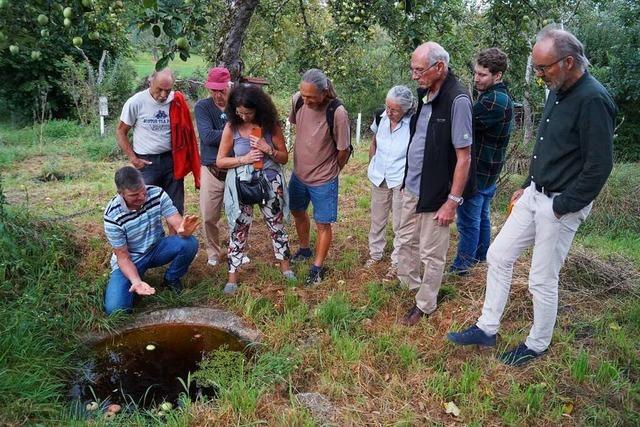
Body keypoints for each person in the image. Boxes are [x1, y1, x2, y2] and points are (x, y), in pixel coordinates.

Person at [447, 26, 616, 366]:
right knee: (498, 255)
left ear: (568, 62)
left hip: (562, 204)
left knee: (541, 279)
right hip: (534, 194)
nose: (539, 75)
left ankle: (537, 344)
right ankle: (487, 327)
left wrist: (562, 207)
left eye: (544, 68)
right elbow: (547, 147)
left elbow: (599, 167)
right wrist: (528, 183)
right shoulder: (557, 88)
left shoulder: (593, 100)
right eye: (536, 67)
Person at [397, 42, 474, 326]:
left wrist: (452, 201)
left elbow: (464, 157)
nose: (414, 76)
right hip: (413, 186)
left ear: (439, 67)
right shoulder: (427, 93)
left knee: (432, 252)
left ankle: (426, 303)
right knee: (405, 239)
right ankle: (411, 285)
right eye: (413, 69)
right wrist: (407, 179)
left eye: (419, 70)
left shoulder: (458, 99)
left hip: (437, 193)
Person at [216, 85, 295, 294]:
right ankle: (232, 277)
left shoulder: (271, 126)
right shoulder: (231, 128)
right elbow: (220, 161)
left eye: (248, 113)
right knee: (238, 228)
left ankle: (286, 268)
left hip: (270, 181)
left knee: (276, 225)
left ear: (258, 109)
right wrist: (244, 159)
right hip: (242, 184)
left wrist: (267, 148)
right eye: (239, 112)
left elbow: (284, 157)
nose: (243, 117)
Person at [449, 48, 514, 275]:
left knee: (468, 222)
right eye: (476, 73)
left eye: (483, 75)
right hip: (489, 170)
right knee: (482, 217)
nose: (477, 78)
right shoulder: (495, 96)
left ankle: (462, 267)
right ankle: (479, 259)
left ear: (498, 76)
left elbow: (462, 124)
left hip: (479, 171)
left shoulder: (493, 100)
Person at [103, 166, 199, 315]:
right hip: (131, 259)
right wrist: (136, 281)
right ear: (121, 193)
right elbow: (123, 257)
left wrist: (184, 230)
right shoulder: (112, 215)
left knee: (189, 242)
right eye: (135, 194)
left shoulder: (156, 193)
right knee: (115, 310)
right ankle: (135, 283)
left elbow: (177, 222)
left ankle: (171, 279)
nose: (142, 197)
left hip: (156, 248)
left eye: (143, 190)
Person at [288, 68, 351, 286]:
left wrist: (333, 171)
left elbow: (344, 150)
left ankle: (317, 267)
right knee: (297, 211)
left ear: (324, 93)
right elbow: (299, 127)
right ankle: (304, 250)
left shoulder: (338, 112)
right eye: (303, 95)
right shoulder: (297, 101)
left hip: (324, 179)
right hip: (298, 174)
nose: (306, 100)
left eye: (311, 97)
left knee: (323, 223)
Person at [116, 68, 200, 218]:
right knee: (144, 206)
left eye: (167, 91)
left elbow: (186, 132)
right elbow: (121, 131)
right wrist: (133, 159)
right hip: (147, 162)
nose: (163, 95)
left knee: (175, 206)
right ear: (150, 82)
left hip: (172, 161)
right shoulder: (136, 102)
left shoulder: (176, 101)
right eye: (159, 89)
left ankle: (175, 240)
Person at [365, 85, 416, 279]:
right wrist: (372, 164)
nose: (389, 112)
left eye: (394, 110)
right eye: (388, 107)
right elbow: (374, 142)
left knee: (400, 224)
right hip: (379, 176)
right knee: (377, 219)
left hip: (401, 179)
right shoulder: (381, 117)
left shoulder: (414, 124)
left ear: (405, 109)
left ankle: (397, 262)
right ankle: (375, 254)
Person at [195, 67, 232, 267]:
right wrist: (233, 133)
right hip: (211, 168)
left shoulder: (239, 105)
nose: (218, 95)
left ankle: (239, 249)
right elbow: (207, 137)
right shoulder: (202, 107)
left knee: (239, 214)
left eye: (221, 90)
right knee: (209, 215)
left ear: (229, 86)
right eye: (213, 90)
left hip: (236, 168)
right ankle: (213, 253)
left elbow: (249, 133)